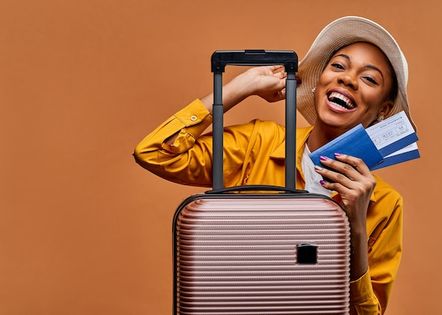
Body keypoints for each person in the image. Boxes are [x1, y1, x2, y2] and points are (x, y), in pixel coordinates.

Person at [133, 16, 416, 315]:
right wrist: (239, 87)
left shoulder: (385, 204)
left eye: (370, 79)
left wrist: (356, 226)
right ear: (319, 81)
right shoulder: (259, 143)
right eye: (338, 66)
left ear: (383, 110)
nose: (347, 79)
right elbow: (155, 153)